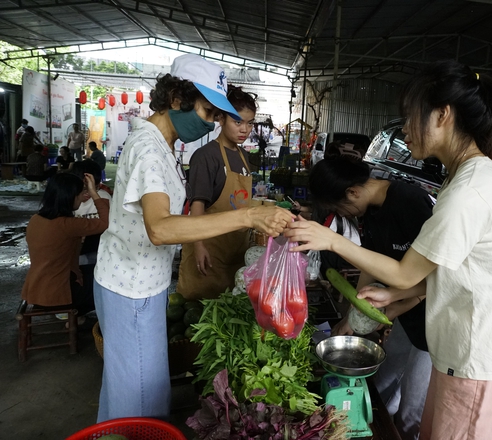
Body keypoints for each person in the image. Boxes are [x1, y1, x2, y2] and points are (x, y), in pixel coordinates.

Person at [285, 60, 492, 440]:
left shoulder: (469, 192)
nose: (404, 129)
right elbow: (452, 269)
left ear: (443, 115)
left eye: (409, 117)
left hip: (478, 362)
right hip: (460, 357)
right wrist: (397, 294)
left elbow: (407, 271)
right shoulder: (465, 179)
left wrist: (332, 240)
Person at [93, 53, 292, 423]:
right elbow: (161, 228)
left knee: (129, 386)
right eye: (207, 113)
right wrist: (247, 215)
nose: (211, 123)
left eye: (218, 116)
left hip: (140, 281)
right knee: (139, 398)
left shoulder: (163, 145)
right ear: (176, 99)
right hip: (131, 286)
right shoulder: (149, 149)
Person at [311, 156, 435, 440]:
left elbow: (435, 274)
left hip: (435, 319)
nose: (345, 216)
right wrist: (353, 315)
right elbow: (369, 263)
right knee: (384, 381)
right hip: (406, 314)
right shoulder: (370, 209)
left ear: (352, 192)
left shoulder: (409, 202)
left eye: (340, 209)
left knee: (413, 408)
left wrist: (393, 308)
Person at [176, 85, 257, 299]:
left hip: (235, 254)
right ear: (221, 119)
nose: (244, 130)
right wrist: (199, 246)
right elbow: (197, 205)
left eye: (250, 123)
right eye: (237, 121)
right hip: (208, 253)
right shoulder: (206, 156)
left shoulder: (243, 156)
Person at [22, 172, 109, 326]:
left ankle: (78, 316)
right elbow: (106, 221)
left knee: (97, 269)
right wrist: (94, 192)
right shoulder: (68, 224)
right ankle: (80, 316)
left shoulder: (35, 219)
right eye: (80, 194)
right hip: (57, 294)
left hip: (36, 288)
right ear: (69, 197)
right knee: (110, 282)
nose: (83, 198)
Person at [70, 159, 113, 294]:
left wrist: (95, 194)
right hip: (77, 248)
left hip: (98, 247)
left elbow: (108, 223)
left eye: (93, 187)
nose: (87, 192)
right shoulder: (70, 198)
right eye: (83, 188)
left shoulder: (103, 197)